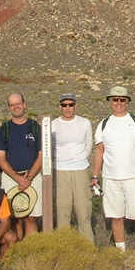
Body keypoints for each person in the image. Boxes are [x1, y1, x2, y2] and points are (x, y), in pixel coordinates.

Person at [91, 85, 135, 268]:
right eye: (115, 100)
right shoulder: (104, 125)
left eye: (122, 100)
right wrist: (95, 176)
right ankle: (120, 253)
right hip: (111, 178)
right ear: (110, 102)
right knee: (116, 216)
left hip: (134, 177)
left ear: (126, 102)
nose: (118, 103)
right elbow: (99, 151)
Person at [0, 92, 42, 240]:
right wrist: (18, 179)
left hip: (33, 176)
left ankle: (31, 252)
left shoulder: (35, 128)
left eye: (18, 103)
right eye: (12, 105)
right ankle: (17, 252)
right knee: (15, 218)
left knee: (31, 217)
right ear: (9, 108)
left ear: (24, 104)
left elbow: (41, 156)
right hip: (10, 178)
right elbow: (1, 160)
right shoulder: (3, 130)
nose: (16, 107)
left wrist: (29, 177)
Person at [51, 92, 94, 242]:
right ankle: (64, 248)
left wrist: (80, 159)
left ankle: (88, 248)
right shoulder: (53, 124)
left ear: (75, 106)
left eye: (70, 105)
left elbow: (89, 145)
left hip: (80, 169)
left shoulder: (84, 122)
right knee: (62, 210)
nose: (67, 108)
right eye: (64, 105)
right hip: (60, 170)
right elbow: (50, 148)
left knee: (83, 210)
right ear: (59, 107)